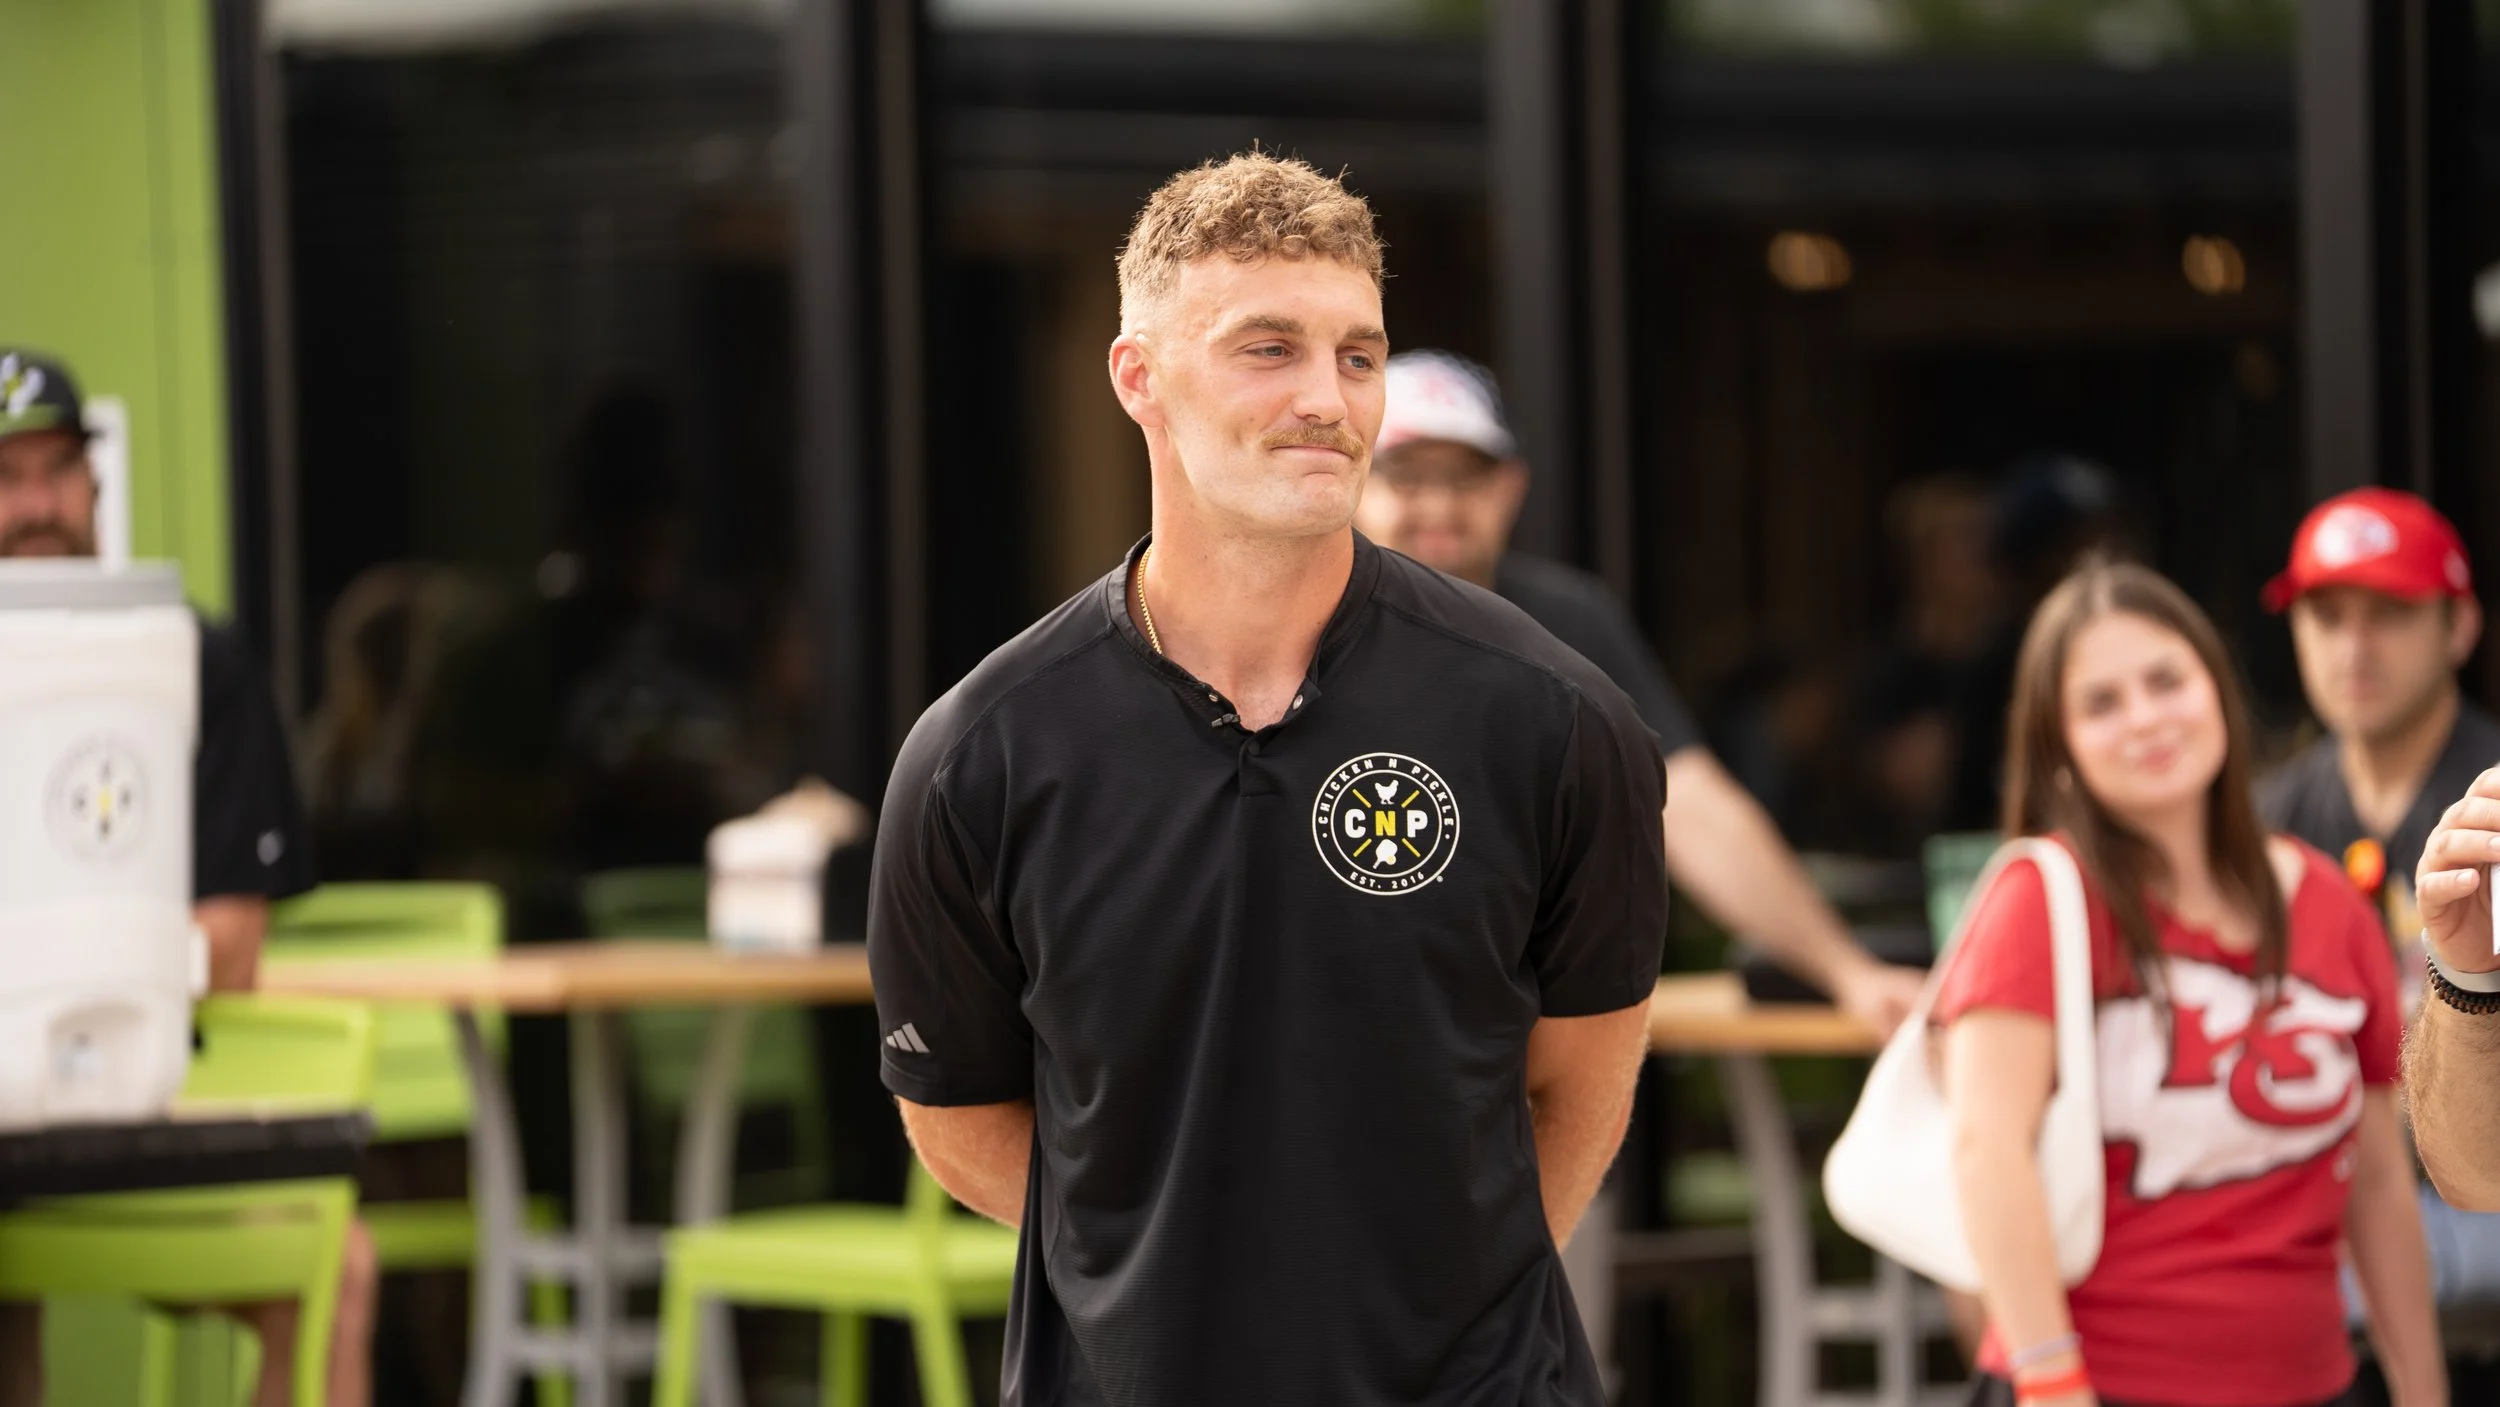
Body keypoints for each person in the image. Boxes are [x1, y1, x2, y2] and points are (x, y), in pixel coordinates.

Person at [865, 154, 1668, 1405]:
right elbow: (959, 1121)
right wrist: (1180, 1270)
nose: (1327, 400)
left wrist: (1435, 1297)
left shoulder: (1553, 722)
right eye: (1268, 349)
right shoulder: (984, 753)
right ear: (1139, 378)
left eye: (1358, 356)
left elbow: (1581, 1086)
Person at [1935, 558, 2441, 1406]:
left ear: (2217, 688)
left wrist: (2423, 1387)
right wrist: (2053, 1380)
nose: (2145, 718)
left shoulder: (2331, 904)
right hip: (2095, 1386)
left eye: (2166, 681)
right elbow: (1987, 1152)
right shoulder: (2038, 899)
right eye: (2102, 702)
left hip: (2312, 1385)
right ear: (2059, 743)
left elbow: (2380, 1179)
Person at [0, 349, 373, 1407]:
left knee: (337, 1269)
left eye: (58, 471)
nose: (37, 506)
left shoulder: (191, 663)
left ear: (94, 482)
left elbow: (233, 947)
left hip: (138, 1105)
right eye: (7, 478)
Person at [1353, 349, 1926, 1034]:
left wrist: (1846, 970)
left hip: (1524, 1038)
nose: (1440, 506)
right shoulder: (1303, 621)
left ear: (1510, 488)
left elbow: (1686, 802)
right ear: (1351, 481)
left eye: (1465, 478)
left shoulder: (1566, 621)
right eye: (1407, 476)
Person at [2252, 487, 2500, 1313]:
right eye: (2327, 617)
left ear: (2459, 627)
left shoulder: (2493, 798)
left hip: (2472, 1187)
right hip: (2320, 1183)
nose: (2353, 648)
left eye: (2389, 613)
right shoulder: (2266, 819)